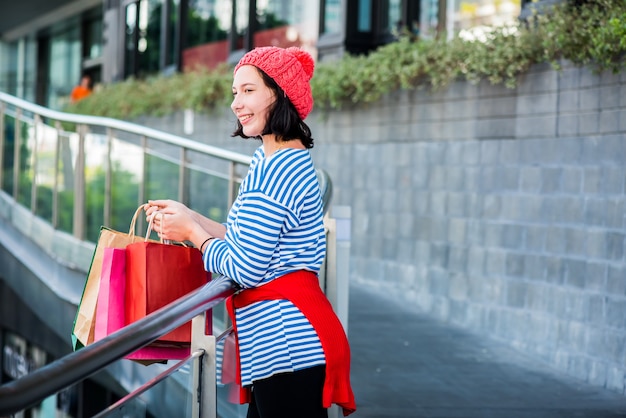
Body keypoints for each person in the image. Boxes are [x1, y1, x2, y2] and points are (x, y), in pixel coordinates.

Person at [144, 46, 356, 418]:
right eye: (234, 93)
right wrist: (191, 218)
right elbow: (250, 239)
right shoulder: (271, 159)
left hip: (288, 350)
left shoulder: (280, 169)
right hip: (280, 348)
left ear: (280, 94)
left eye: (248, 91)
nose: (236, 104)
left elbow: (245, 268)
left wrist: (194, 233)